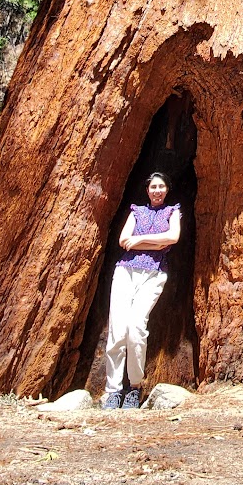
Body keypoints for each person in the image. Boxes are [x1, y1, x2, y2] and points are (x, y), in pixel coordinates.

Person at [101, 171, 181, 410]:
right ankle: (113, 390)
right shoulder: (137, 211)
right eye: (153, 187)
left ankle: (134, 387)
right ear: (148, 190)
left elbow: (173, 237)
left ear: (167, 189)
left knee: (136, 328)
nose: (157, 190)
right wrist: (155, 242)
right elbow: (124, 240)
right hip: (125, 272)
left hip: (155, 273)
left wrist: (139, 240)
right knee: (117, 331)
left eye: (161, 186)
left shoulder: (172, 212)